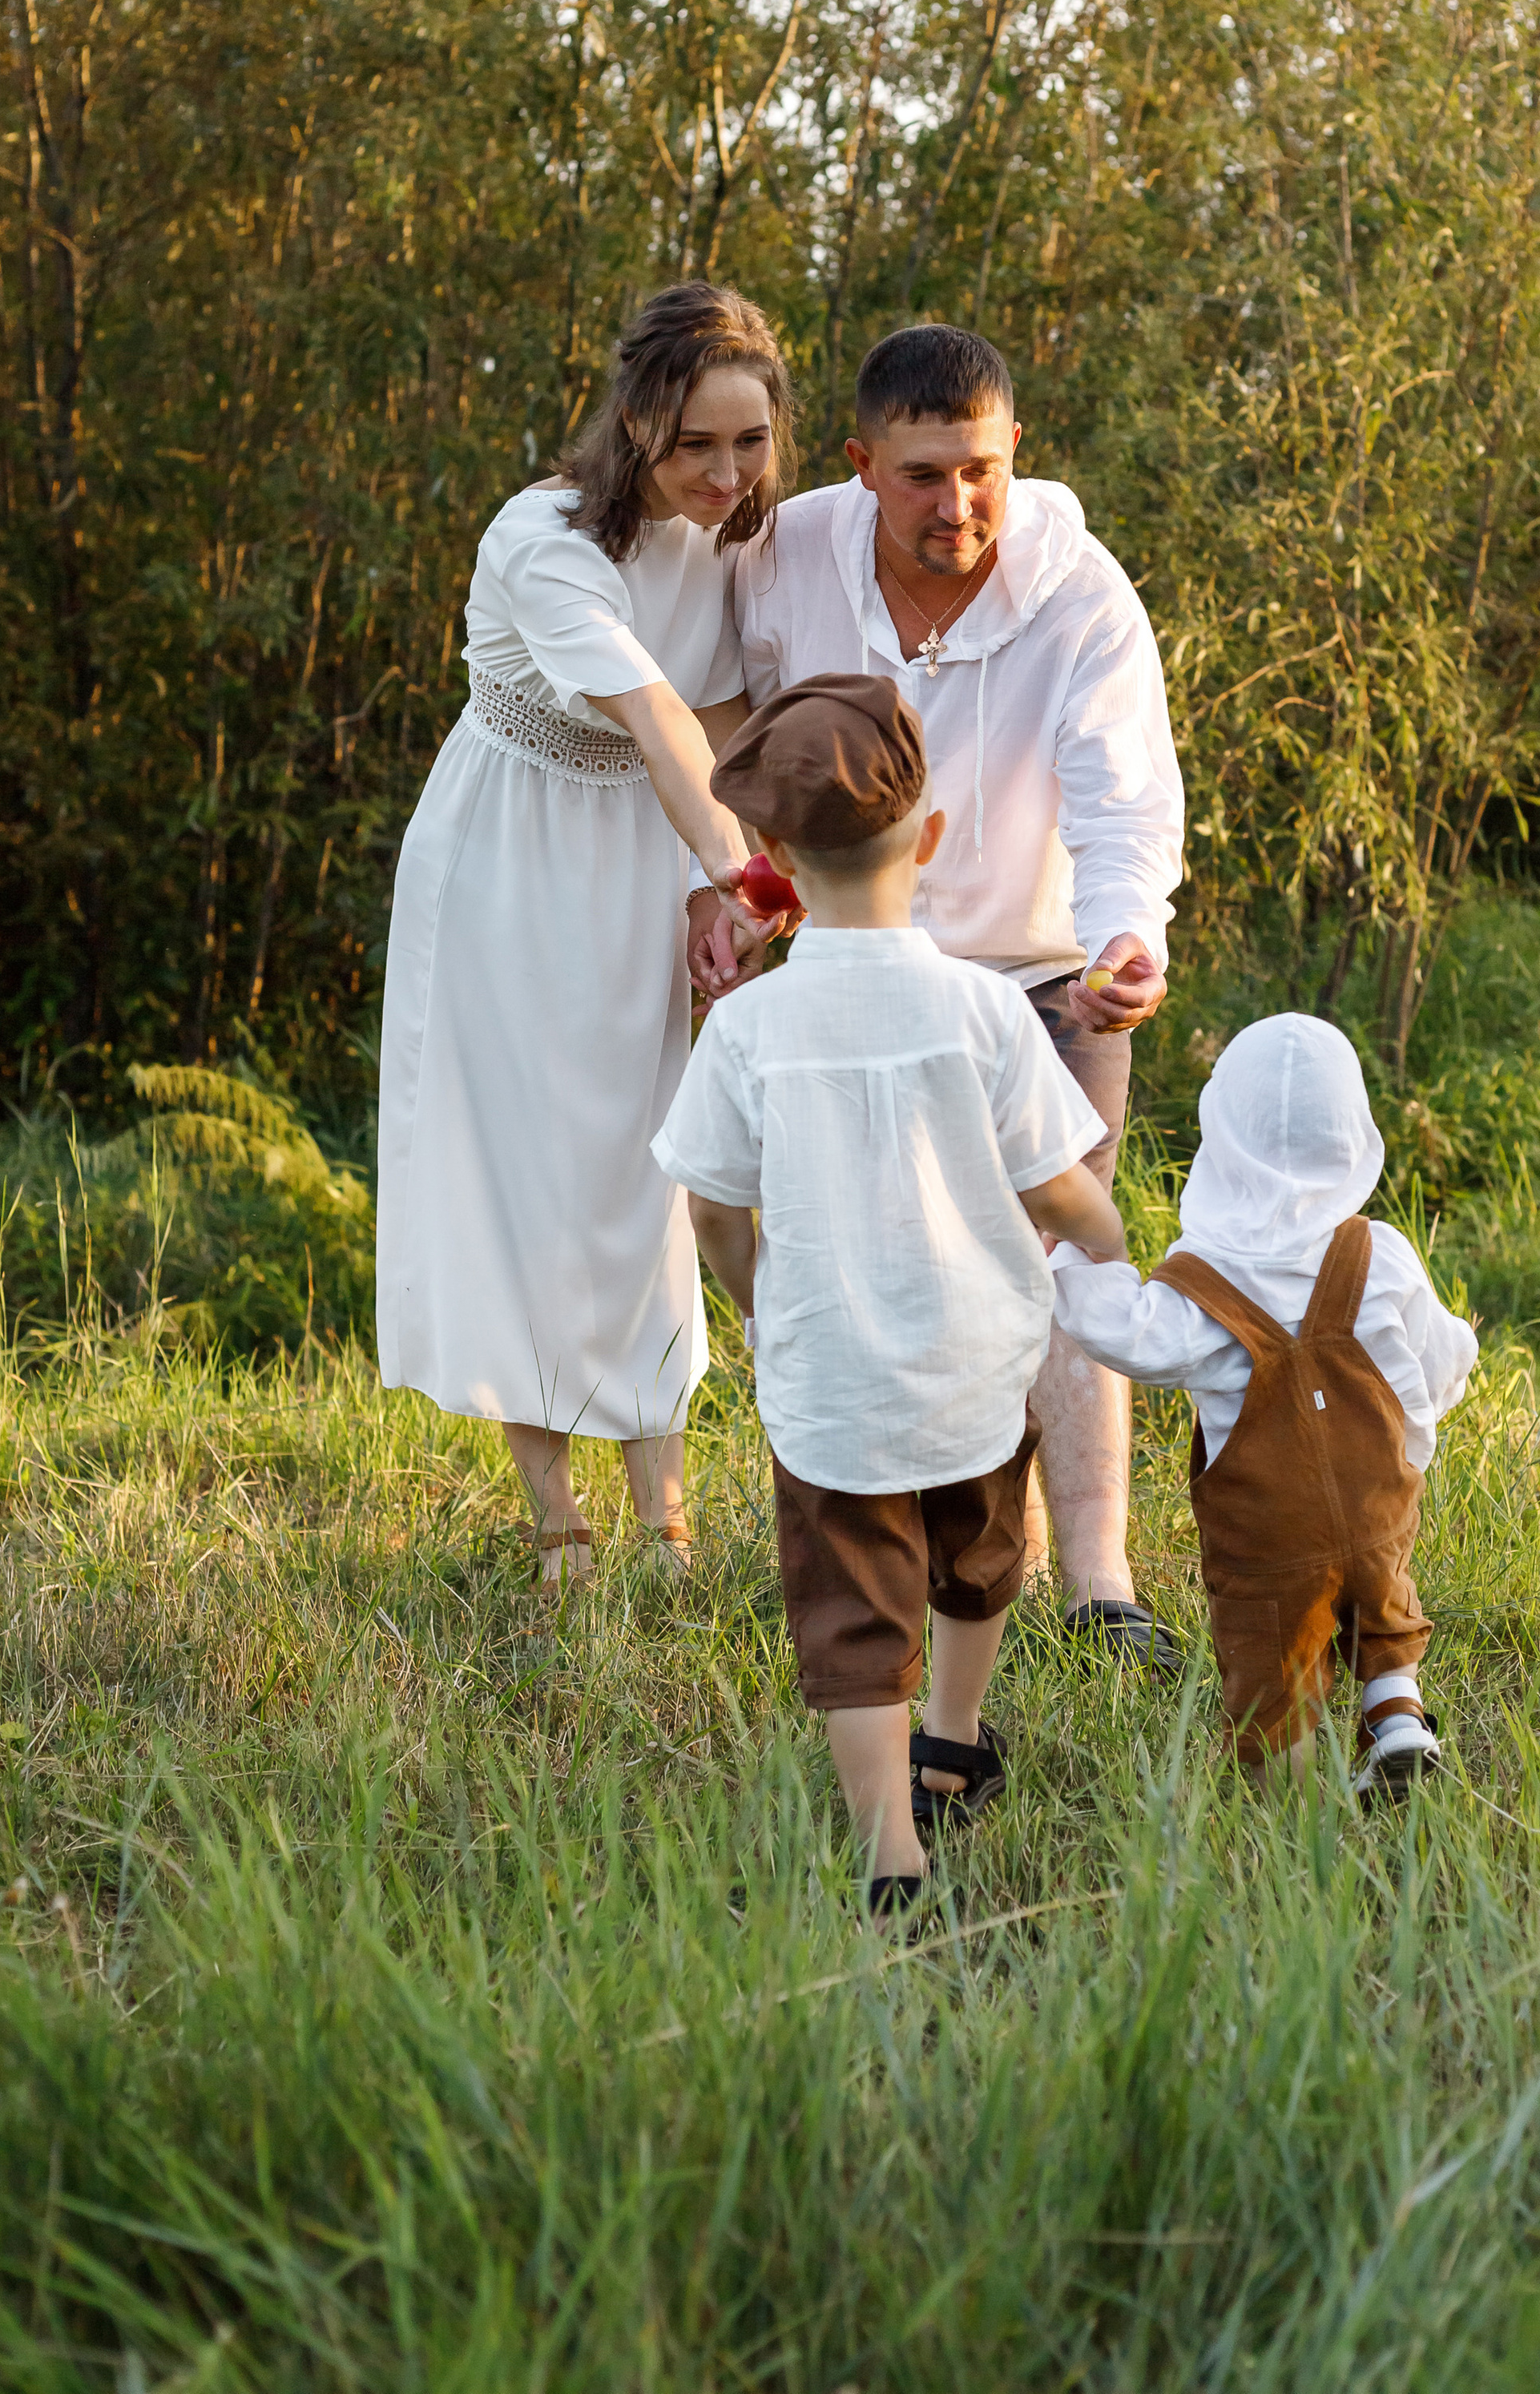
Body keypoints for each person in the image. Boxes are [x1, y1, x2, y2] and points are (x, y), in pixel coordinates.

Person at [691, 324, 1184, 1666]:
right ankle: (922, 1556)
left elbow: (1123, 795)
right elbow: (738, 734)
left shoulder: (1080, 592)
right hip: (855, 968)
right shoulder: (782, 553)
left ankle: (1100, 1579)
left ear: (1014, 450)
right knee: (885, 1267)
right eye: (922, 476)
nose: (957, 504)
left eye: (980, 470)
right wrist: (735, 889)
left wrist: (1123, 942)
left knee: (1071, 1253)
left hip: (1040, 979)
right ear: (860, 468)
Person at [653, 675, 1128, 1916]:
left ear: (777, 869)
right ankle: (956, 1742)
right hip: (978, 1364)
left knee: (857, 1615)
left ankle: (889, 1854)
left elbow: (710, 1206)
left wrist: (757, 1306)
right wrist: (1112, 1242)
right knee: (982, 1559)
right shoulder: (982, 1008)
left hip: (830, 1381)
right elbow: (1062, 1188)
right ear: (929, 841)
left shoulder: (750, 1028)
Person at [375, 284, 791, 1590]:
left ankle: (662, 1512)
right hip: (508, 858)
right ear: (636, 426)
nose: (726, 475)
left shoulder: (735, 538)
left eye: (751, 442)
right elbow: (659, 722)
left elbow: (724, 728)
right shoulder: (542, 536)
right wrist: (757, 881)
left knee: (648, 1162)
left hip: (646, 856)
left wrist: (716, 888)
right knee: (526, 1173)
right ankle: (558, 1516)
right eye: (696, 447)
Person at [1049, 1015, 1477, 1797]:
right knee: (1381, 1601)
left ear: (1223, 1141)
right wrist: (1419, 1430)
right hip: (1378, 1502)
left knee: (1273, 1675)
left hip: (1269, 1539)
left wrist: (1083, 1253)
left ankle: (1297, 1811)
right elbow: (1442, 1355)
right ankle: (1398, 1714)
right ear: (1351, 1132)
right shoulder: (1379, 1250)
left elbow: (1127, 1335)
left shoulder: (1207, 1279)